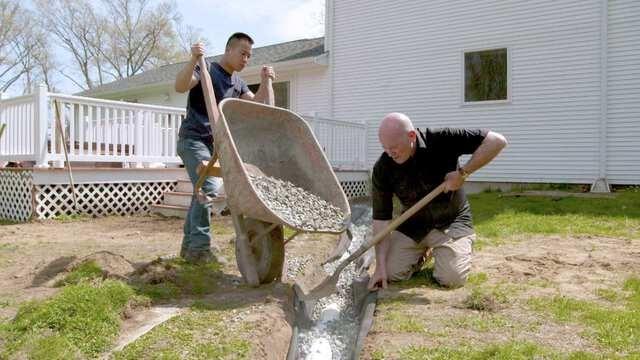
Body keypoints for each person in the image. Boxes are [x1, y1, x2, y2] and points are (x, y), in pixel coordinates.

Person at [368, 112, 507, 290]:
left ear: (411, 136)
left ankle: (457, 246)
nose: (389, 153)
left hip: (450, 221)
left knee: (451, 279)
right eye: (384, 147)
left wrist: (463, 173)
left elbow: (497, 141)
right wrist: (379, 267)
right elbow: (381, 221)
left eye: (393, 147)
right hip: (413, 225)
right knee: (390, 273)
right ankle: (422, 254)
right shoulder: (383, 168)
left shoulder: (441, 140)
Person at [174, 32, 276, 264]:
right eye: (242, 53)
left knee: (200, 190)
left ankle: (190, 247)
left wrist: (266, 81)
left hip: (216, 145)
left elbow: (259, 105)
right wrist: (193, 59)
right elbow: (181, 86)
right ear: (228, 50)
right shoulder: (206, 69)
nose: (246, 59)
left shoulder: (238, 83)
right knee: (208, 186)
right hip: (193, 139)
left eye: (249, 56)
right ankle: (200, 248)